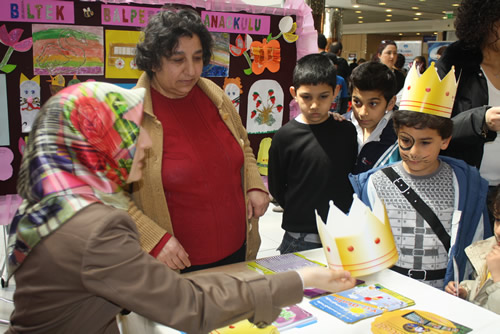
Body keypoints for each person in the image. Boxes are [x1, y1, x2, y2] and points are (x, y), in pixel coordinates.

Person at [5, 81, 356, 333]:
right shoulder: (95, 228)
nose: (145, 144)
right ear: (93, 143)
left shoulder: (53, 204)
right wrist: (299, 280)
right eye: (131, 130)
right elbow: (190, 306)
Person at [130, 8, 269, 272]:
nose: (191, 70)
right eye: (177, 59)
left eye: (197, 58)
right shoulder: (129, 115)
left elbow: (244, 145)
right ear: (152, 61)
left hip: (237, 252)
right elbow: (108, 196)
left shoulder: (214, 95)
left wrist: (253, 184)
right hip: (176, 268)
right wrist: (153, 240)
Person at [350, 64, 492, 290]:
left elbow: (479, 242)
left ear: (445, 140)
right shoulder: (376, 182)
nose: (413, 151)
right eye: (406, 140)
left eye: (425, 142)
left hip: (443, 291)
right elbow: (362, 241)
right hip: (389, 287)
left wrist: (468, 286)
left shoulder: (465, 185)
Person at [268, 53, 358, 254]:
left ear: (336, 91)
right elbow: (277, 186)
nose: (315, 105)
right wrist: (301, 208)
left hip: (342, 234)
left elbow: (350, 174)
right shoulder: (285, 136)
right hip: (300, 235)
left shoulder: (346, 130)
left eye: (323, 96)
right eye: (306, 97)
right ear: (294, 92)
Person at [436, 0, 500, 230]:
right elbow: (433, 125)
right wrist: (481, 121)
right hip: (465, 186)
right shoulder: (457, 63)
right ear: (482, 22)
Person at [445, 186, 500, 315]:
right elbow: (483, 288)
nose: (498, 231)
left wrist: (498, 279)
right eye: (497, 220)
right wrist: (466, 292)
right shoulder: (491, 249)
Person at [346, 61, 399, 174]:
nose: (363, 112)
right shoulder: (340, 125)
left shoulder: (401, 136)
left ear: (391, 103)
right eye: (357, 102)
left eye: (373, 104)